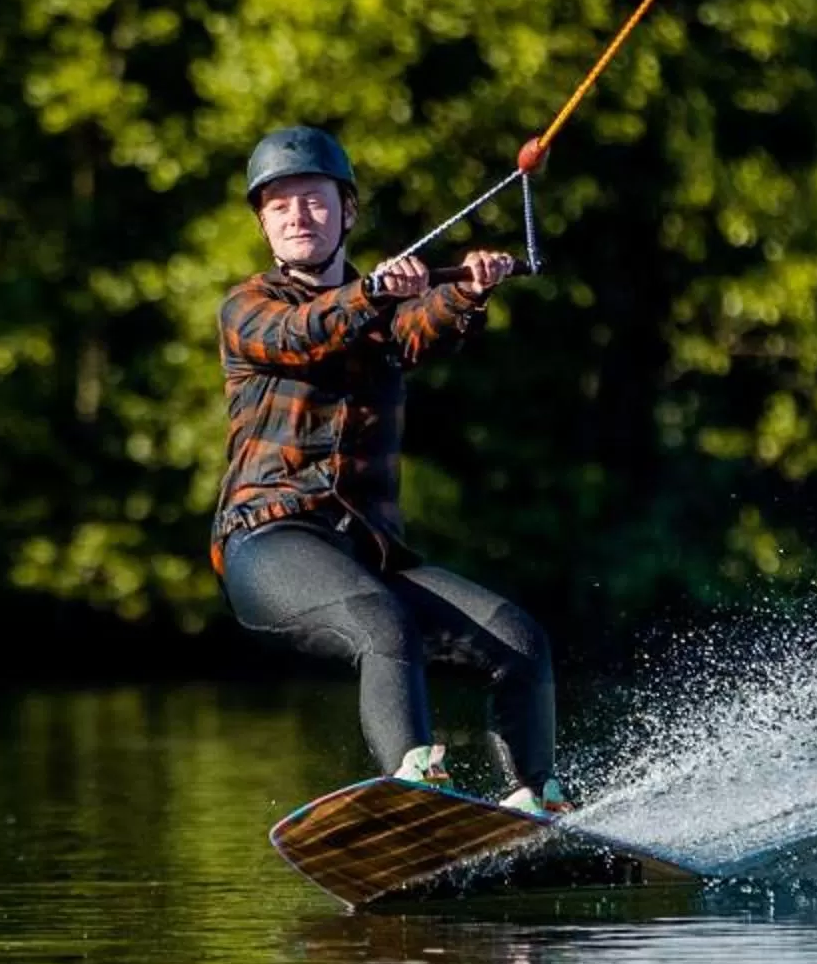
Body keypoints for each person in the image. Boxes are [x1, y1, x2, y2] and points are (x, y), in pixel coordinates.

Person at [210, 126, 568, 810]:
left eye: (314, 201)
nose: (297, 217)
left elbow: (419, 328)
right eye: (280, 206)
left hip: (367, 552)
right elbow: (304, 334)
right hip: (267, 543)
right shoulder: (246, 309)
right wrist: (372, 292)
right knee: (383, 620)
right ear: (263, 225)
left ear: (347, 212)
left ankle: (535, 801)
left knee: (521, 641)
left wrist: (468, 292)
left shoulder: (384, 315)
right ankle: (414, 789)